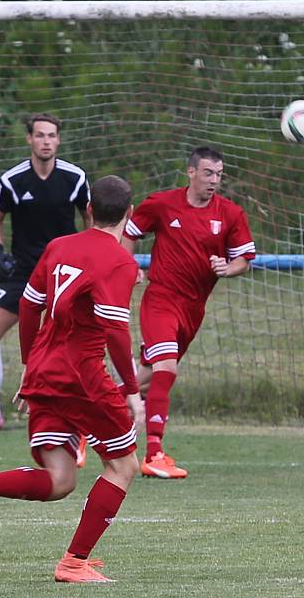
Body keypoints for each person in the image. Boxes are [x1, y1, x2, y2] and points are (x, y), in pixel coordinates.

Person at [0, 175, 141, 583]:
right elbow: (115, 330)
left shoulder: (59, 246)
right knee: (123, 465)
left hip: (44, 368)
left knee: (60, 479)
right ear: (129, 215)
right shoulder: (120, 262)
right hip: (82, 376)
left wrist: (30, 365)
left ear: (90, 210)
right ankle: (73, 562)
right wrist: (132, 390)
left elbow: (29, 308)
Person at [122, 146, 256, 479]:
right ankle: (154, 453)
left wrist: (228, 267)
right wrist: (127, 267)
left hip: (194, 309)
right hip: (161, 300)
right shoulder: (162, 204)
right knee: (166, 368)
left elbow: (243, 260)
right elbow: (129, 233)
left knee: (148, 376)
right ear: (191, 172)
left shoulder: (231, 214)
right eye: (209, 173)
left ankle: (87, 421)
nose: (214, 181)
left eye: (219, 174)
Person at [0, 113, 90, 435]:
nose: (46, 141)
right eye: (40, 135)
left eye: (51, 135)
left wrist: (92, 254)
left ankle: (90, 408)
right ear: (29, 140)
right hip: (24, 272)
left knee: (84, 339)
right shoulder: (13, 180)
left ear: (58, 140)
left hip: (66, 272)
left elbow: (91, 218)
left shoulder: (74, 178)